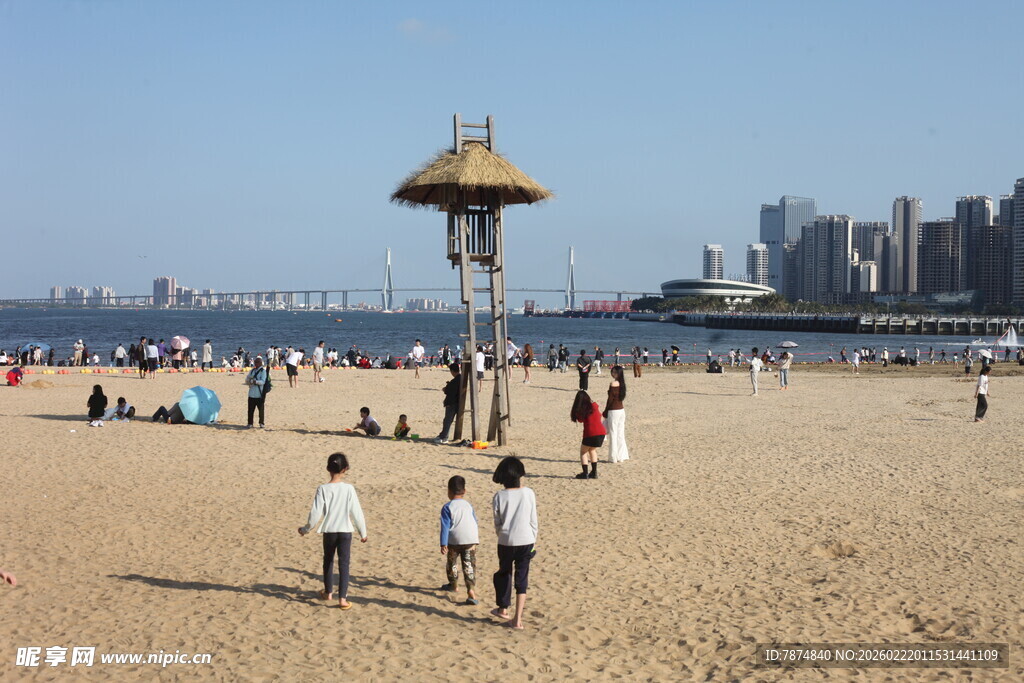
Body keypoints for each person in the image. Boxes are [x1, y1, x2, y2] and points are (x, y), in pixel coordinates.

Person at [298, 452, 367, 609]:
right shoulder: (349, 488)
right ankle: (342, 599)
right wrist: (363, 532)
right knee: (344, 564)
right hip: (345, 531)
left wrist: (305, 529)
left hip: (329, 531)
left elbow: (315, 514)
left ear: (328, 468)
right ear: (345, 469)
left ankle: (328, 592)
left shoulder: (323, 489)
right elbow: (357, 512)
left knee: (328, 561)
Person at [490, 456, 537, 630]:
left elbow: (498, 522)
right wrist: (533, 540)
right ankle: (518, 619)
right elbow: (534, 521)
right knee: (521, 579)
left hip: (506, 540)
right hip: (526, 540)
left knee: (504, 573)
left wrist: (501, 536)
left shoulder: (499, 496)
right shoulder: (529, 493)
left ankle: (503, 608)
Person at [440, 475, 480, 605]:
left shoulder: (447, 507)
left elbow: (445, 526)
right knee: (469, 565)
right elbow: (474, 521)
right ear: (464, 491)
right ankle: (471, 591)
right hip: (471, 539)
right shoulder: (468, 505)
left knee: (452, 562)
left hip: (454, 540)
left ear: (449, 491)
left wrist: (443, 543)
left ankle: (454, 585)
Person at [571, 390, 605, 479]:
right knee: (592, 450)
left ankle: (585, 473)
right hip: (601, 433)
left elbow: (580, 420)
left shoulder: (582, 410)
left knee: (583, 452)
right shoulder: (594, 406)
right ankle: (594, 472)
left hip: (590, 433)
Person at [604, 365, 629, 463]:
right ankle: (621, 456)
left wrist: (605, 411)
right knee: (620, 433)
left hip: (613, 410)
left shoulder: (613, 383)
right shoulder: (622, 384)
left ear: (618, 373)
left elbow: (610, 400)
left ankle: (613, 457)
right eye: (612, 372)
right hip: (621, 410)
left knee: (613, 433)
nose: (613, 373)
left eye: (614, 372)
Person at [434, 363, 462, 444]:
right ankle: (443, 435)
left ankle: (444, 437)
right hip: (456, 402)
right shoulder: (460, 379)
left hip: (452, 403)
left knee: (447, 420)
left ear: (452, 371)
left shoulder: (455, 380)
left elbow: (450, 392)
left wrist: (445, 389)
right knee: (448, 420)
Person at [246, 357, 268, 429]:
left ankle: (261, 423)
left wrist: (256, 382)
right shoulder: (252, 371)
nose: (256, 364)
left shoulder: (263, 371)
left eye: (257, 362)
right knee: (250, 410)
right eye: (255, 362)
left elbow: (263, 381)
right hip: (251, 393)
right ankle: (250, 423)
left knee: (261, 410)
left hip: (259, 394)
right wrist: (249, 381)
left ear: (261, 363)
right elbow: (247, 379)